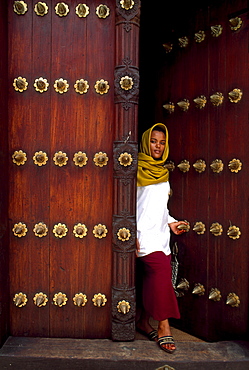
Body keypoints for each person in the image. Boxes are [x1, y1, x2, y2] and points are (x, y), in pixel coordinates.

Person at [136, 123, 187, 354]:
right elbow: (129, 206)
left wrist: (172, 222)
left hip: (161, 236)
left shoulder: (163, 172)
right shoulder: (134, 168)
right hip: (142, 236)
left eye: (162, 142)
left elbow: (160, 207)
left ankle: (142, 321)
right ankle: (164, 326)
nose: (157, 146)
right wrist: (131, 234)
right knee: (160, 274)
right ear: (146, 143)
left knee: (152, 278)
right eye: (154, 141)